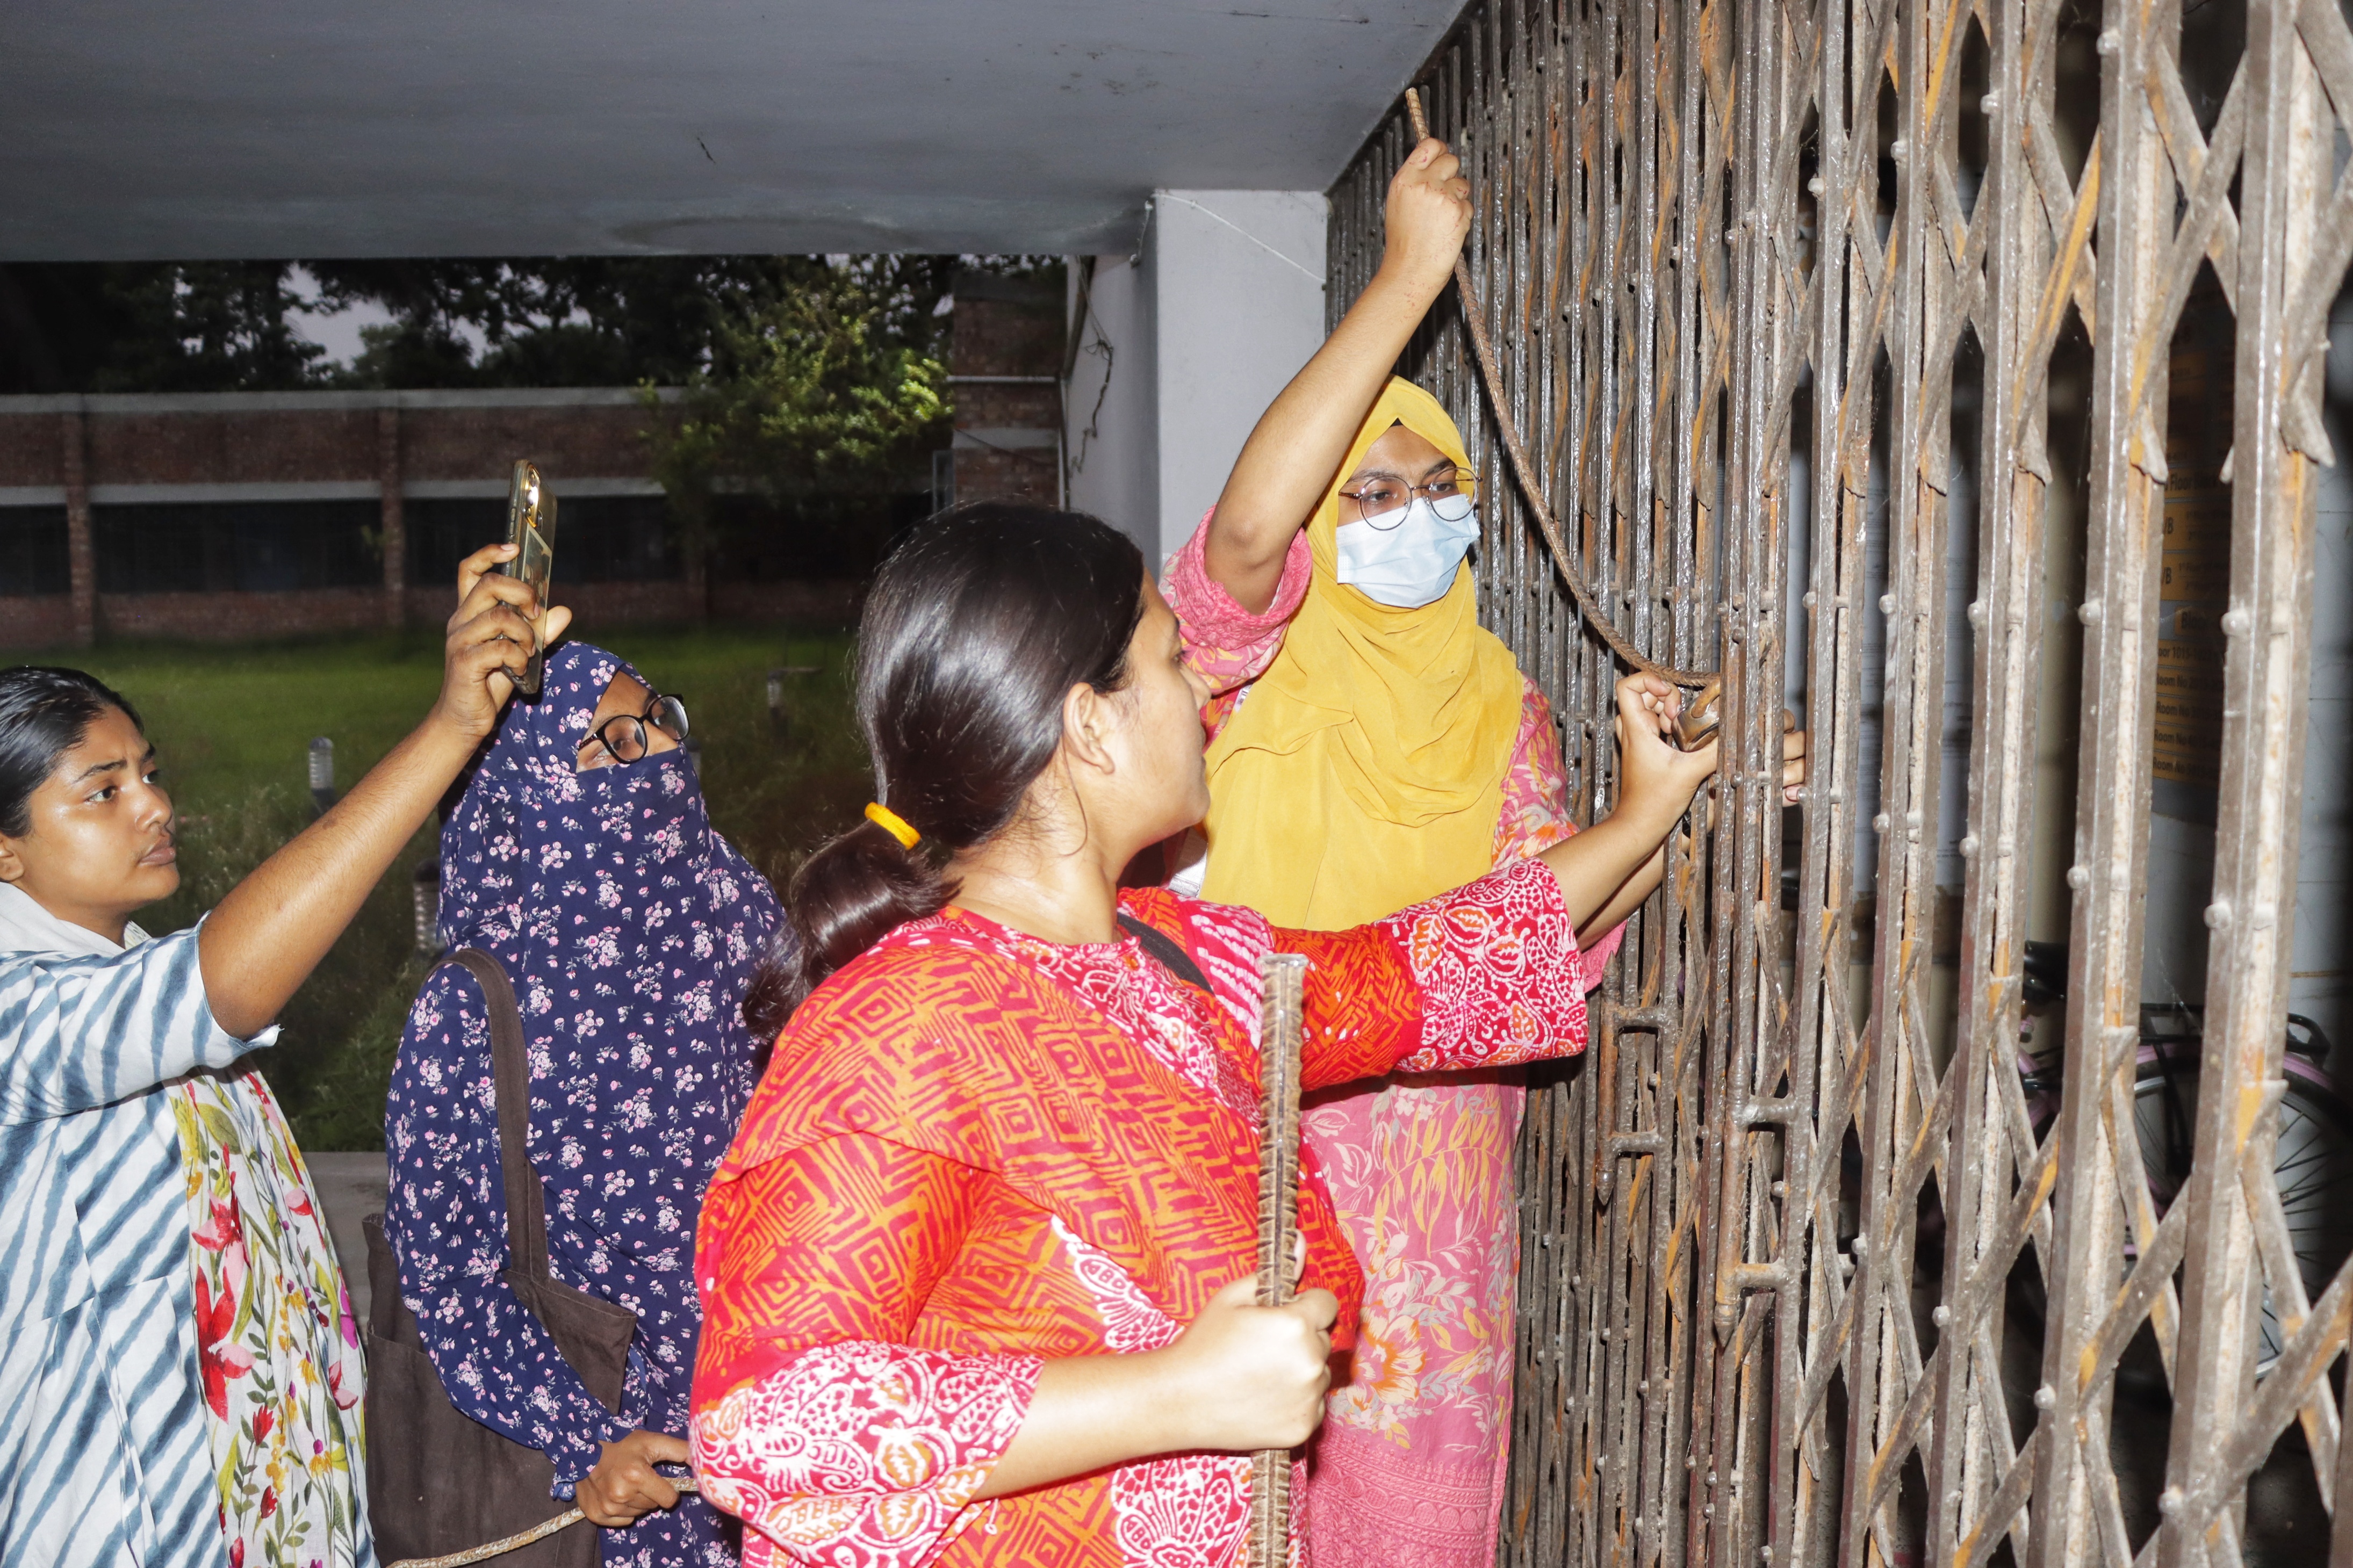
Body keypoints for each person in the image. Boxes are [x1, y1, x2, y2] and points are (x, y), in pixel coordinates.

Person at [687, 502, 1723, 1568]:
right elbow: (766, 1417)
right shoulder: (896, 1025)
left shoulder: (1185, 960)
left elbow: (1434, 967)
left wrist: (1650, 808)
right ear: (1091, 724)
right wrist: (1178, 1392)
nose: (1200, 698)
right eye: (1174, 660)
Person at [1161, 138, 1806, 1564]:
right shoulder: (1237, 672)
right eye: (1368, 495)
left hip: (1435, 1245)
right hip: (1235, 1175)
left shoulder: (1502, 703)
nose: (1409, 517)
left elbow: (1546, 931)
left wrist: (1672, 795)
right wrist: (1407, 279)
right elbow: (1253, 525)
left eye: (1433, 486)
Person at [0, 543, 559, 1568]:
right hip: (125, 1515)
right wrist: (448, 729)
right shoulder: (15, 1012)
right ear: (4, 851)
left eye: (150, 774)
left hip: (261, 1493)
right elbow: (227, 985)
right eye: (102, 791)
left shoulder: (114, 966)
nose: (154, 805)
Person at [383, 639, 782, 1568]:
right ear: (528, 788)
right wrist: (581, 1439)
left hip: (771, 1410)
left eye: (656, 722)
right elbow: (445, 1271)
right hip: (625, 1460)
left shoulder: (734, 912)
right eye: (606, 745)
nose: (651, 756)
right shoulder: (472, 1009)